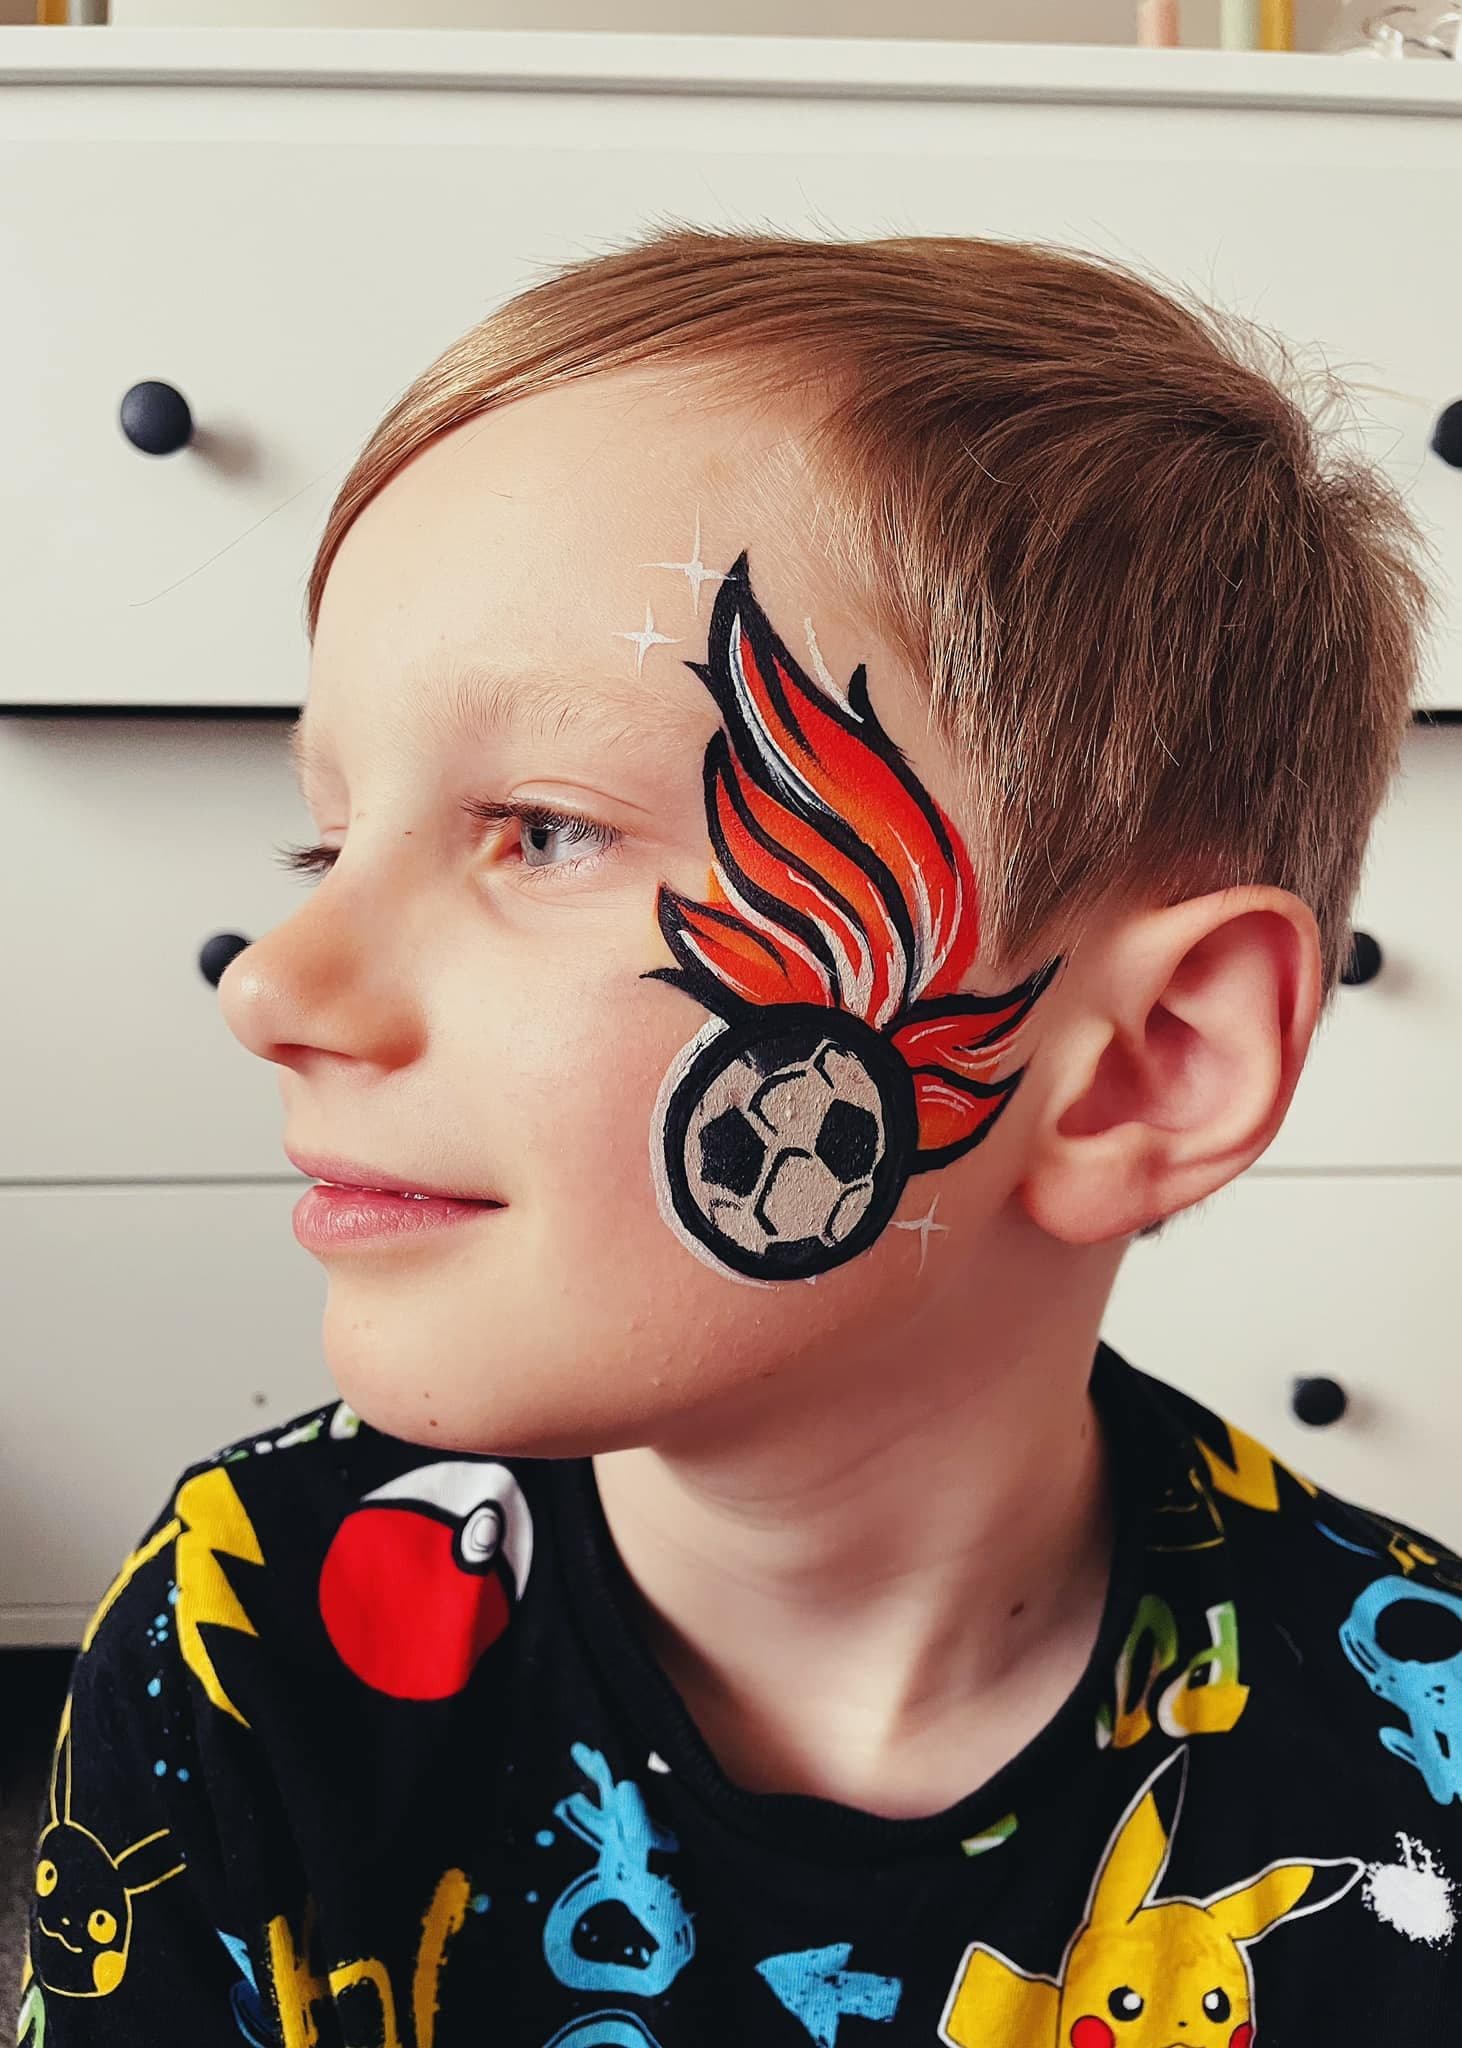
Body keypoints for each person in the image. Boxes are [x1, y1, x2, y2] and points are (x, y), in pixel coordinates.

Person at [20, 226, 1459, 2048]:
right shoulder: (253, 1630)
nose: (278, 983)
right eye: (325, 841)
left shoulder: (1409, 1767)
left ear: (1147, 1063)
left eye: (542, 828)